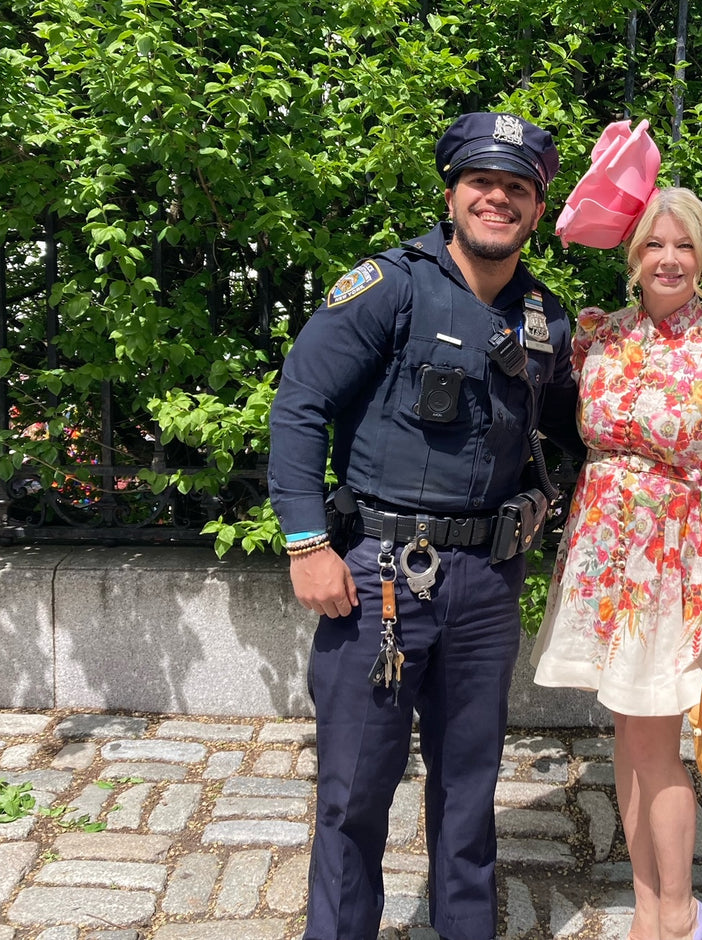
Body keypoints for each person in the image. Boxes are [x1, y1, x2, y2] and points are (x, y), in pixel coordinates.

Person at [267, 111, 582, 940]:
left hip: (484, 583)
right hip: (376, 577)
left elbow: (576, 434)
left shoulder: (546, 319)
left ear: (536, 210)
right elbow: (300, 407)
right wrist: (306, 542)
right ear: (452, 193)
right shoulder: (389, 286)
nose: (497, 199)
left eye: (517, 188)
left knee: (469, 788)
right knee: (353, 792)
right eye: (481, 182)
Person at [532, 186, 702, 940]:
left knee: (654, 745)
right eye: (654, 244)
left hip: (676, 566)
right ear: (632, 256)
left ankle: (675, 917)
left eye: (684, 245)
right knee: (628, 734)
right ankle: (651, 902)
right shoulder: (597, 338)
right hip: (601, 556)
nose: (669, 259)